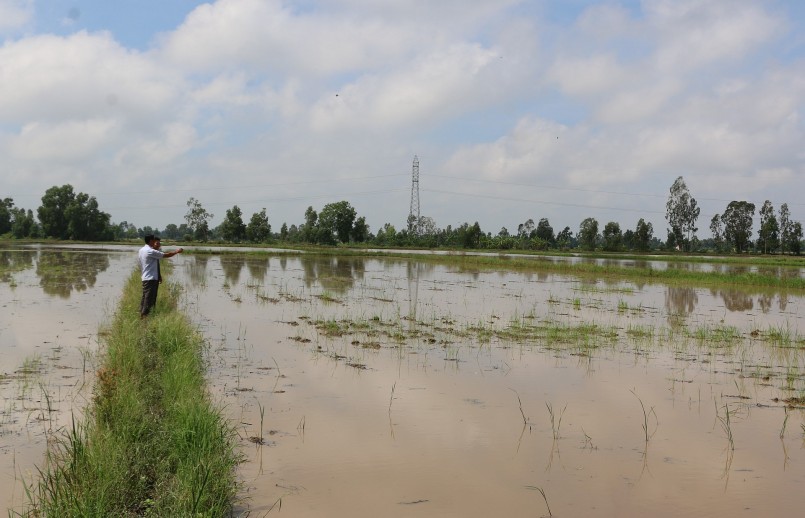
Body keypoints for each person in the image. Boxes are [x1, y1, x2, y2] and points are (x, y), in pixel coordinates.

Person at [139, 234, 183, 318]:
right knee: (149, 299)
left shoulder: (142, 250)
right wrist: (176, 251)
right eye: (154, 241)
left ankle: (144, 315)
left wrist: (159, 275)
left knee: (146, 297)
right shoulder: (150, 251)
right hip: (150, 278)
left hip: (147, 277)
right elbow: (166, 255)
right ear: (151, 241)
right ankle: (144, 318)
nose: (157, 243)